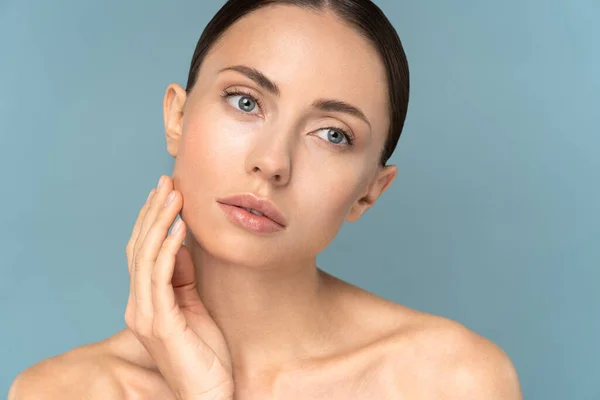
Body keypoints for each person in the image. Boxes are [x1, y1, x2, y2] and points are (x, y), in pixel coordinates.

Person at [9, 0, 522, 399]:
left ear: (369, 191)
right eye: (246, 101)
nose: (273, 162)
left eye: (332, 134)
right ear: (177, 118)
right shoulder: (58, 392)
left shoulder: (451, 381)